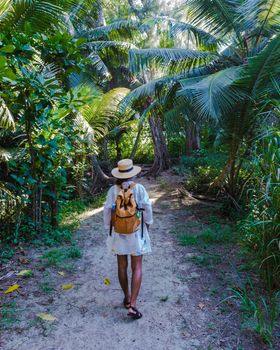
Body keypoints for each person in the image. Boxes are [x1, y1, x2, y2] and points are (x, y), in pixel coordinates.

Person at [103, 159, 153, 319]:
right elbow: (147, 207)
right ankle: (133, 304)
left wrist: (109, 228)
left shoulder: (112, 191)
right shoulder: (139, 189)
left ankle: (126, 297)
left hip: (119, 233)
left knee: (122, 266)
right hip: (136, 232)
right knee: (137, 267)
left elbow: (107, 211)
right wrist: (148, 224)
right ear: (133, 173)